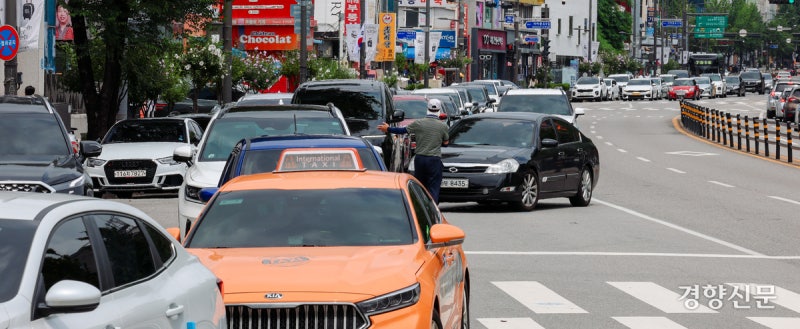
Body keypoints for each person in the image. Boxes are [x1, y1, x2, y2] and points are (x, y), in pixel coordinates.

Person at [378, 98, 449, 203]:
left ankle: (419, 206)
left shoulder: (418, 123)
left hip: (420, 158)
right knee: (433, 186)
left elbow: (402, 130)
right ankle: (432, 207)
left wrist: (388, 129)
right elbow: (446, 143)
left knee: (419, 185)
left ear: (427, 108)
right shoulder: (443, 126)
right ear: (439, 110)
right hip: (434, 159)